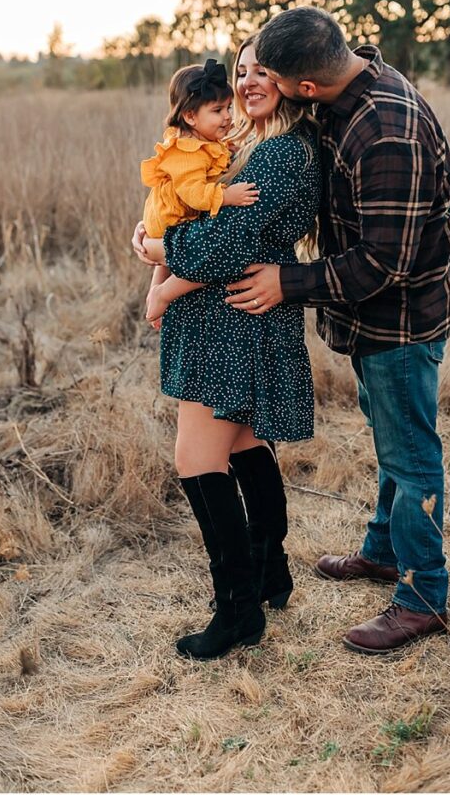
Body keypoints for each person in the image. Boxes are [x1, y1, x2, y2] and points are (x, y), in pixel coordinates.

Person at [225, 7, 450, 655]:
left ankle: (422, 597)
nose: (255, 82)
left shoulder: (385, 130)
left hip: (401, 323)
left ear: (306, 85)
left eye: (270, 74)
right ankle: (385, 552)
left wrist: (287, 282)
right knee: (392, 438)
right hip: (374, 319)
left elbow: (385, 263)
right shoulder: (345, 93)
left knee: (412, 456)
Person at [132, 36, 321, 661]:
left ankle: (236, 611)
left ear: (294, 79)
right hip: (225, 319)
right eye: (241, 71)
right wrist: (154, 230)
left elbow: (222, 246)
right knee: (241, 444)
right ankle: (268, 576)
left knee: (196, 459)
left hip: (233, 324)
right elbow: (195, 215)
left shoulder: (285, 156)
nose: (247, 82)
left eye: (263, 70)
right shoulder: (246, 147)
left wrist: (160, 263)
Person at [140, 59, 260, 325]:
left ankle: (155, 297)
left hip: (172, 218)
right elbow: (194, 194)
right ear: (190, 116)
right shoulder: (186, 152)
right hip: (171, 216)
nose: (228, 116)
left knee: (175, 257)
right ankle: (162, 294)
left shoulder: (205, 141)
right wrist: (227, 196)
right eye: (217, 110)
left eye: (228, 108)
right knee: (202, 255)